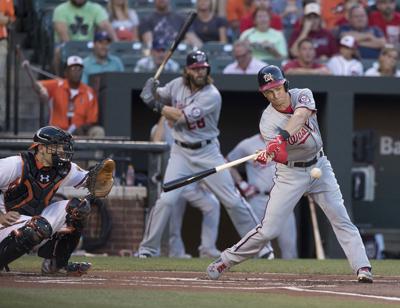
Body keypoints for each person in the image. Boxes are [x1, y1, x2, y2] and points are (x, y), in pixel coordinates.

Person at [206, 65, 373, 283]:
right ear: (264, 94)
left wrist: (281, 137)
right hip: (290, 174)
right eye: (269, 92)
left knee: (340, 216)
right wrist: (271, 155)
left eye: (277, 88)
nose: (275, 95)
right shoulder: (267, 122)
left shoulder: (302, 94)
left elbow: (301, 116)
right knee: (268, 231)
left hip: (320, 166)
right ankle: (225, 260)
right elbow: (283, 157)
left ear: (285, 85)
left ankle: (362, 267)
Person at [137, 50, 273, 258]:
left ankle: (262, 248)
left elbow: (180, 116)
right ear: (187, 70)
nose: (200, 72)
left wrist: (153, 103)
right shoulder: (176, 85)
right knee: (166, 200)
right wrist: (150, 88)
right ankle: (147, 250)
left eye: (203, 68)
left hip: (207, 152)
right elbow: (160, 94)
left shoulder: (212, 94)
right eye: (196, 69)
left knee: (233, 201)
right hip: (181, 153)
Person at [0, 126, 114, 275]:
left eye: (62, 146)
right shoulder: (16, 164)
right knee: (37, 227)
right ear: (41, 148)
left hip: (32, 221)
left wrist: (100, 179)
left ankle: (56, 264)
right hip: (4, 222)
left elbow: (90, 180)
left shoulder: (64, 169)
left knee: (79, 207)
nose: (61, 150)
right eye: (56, 146)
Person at [151, 116, 221, 258]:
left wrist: (204, 181)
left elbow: (206, 156)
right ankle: (176, 253)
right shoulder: (160, 128)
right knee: (173, 221)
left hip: (191, 182)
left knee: (212, 204)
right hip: (172, 181)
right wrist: (163, 116)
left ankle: (207, 248)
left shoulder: (190, 128)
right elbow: (156, 142)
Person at [226, 134, 298, 259]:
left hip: (283, 199)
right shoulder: (247, 144)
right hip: (258, 198)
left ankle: (292, 278)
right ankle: (254, 276)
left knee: (289, 246)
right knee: (256, 245)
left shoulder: (288, 143)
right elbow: (228, 163)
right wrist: (242, 184)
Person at [32, 55, 105, 138]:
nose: (76, 72)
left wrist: (80, 128)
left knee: (98, 131)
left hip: (79, 133)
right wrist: (42, 90)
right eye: (73, 69)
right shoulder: (56, 85)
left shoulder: (89, 92)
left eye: (79, 69)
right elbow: (36, 84)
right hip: (57, 132)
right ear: (66, 72)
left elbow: (92, 120)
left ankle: (99, 151)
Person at [52, 0, 118, 75]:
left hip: (89, 46)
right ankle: (59, 78)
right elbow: (63, 34)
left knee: (103, 48)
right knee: (58, 51)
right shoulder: (60, 9)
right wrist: (72, 49)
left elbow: (105, 25)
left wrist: (117, 44)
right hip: (68, 46)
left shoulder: (95, 8)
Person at [0, 0, 15, 129]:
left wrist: (5, 19)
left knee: (0, 79)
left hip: (0, 41)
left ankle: (0, 119)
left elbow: (11, 19)